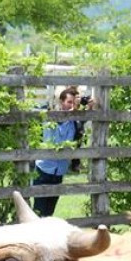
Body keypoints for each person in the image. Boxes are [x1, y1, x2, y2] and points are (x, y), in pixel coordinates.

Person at [31, 86, 92, 217]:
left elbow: (89, 111)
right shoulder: (51, 117)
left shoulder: (75, 121)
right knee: (39, 212)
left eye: (74, 103)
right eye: (69, 102)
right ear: (61, 102)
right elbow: (53, 139)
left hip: (59, 172)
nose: (72, 106)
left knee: (49, 213)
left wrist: (89, 103)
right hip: (43, 170)